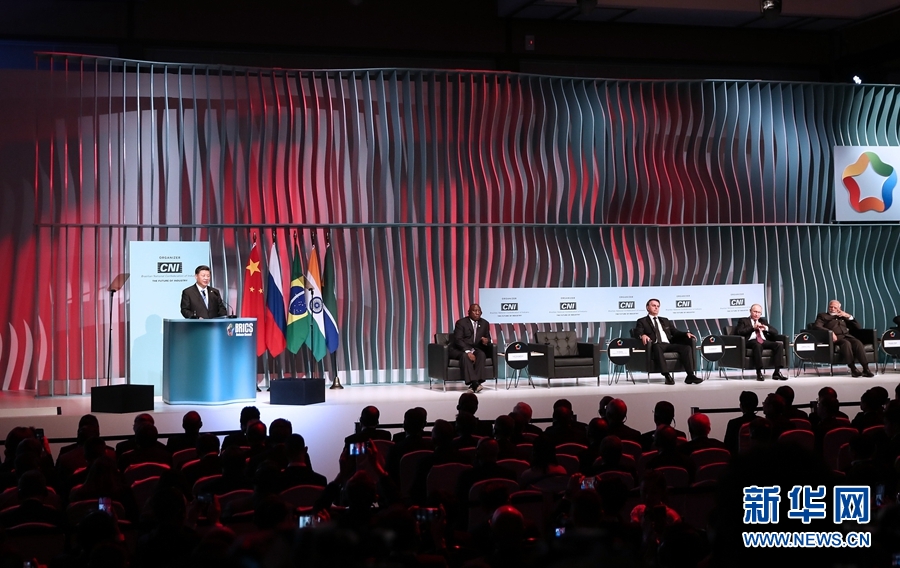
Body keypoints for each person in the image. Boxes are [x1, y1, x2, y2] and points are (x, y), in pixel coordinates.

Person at [635, 298, 701, 384]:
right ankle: (667, 375)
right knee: (657, 346)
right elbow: (638, 332)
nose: (656, 308)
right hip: (656, 345)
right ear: (647, 307)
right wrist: (642, 335)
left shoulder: (665, 320)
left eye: (658, 306)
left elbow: (675, 332)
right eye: (654, 306)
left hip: (668, 344)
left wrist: (686, 334)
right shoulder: (642, 321)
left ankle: (690, 375)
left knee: (686, 348)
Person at [813, 299, 873, 377]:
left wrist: (848, 316)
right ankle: (853, 369)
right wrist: (830, 332)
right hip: (835, 338)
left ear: (839, 308)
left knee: (857, 343)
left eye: (835, 307)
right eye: (831, 307)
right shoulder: (822, 316)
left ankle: (866, 369)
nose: (832, 309)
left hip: (847, 336)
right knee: (846, 343)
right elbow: (817, 326)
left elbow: (857, 327)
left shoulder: (842, 316)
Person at [733, 303, 788, 381]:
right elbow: (739, 332)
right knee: (757, 345)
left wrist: (765, 328)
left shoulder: (763, 321)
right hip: (750, 341)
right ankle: (759, 372)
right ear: (750, 311)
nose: (756, 314)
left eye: (759, 312)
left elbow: (775, 332)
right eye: (755, 312)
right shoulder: (743, 320)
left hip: (763, 341)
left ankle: (777, 372)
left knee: (779, 345)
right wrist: (753, 328)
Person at [449, 303, 492, 392]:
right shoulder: (461, 323)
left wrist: (486, 341)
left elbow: (488, 338)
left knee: (481, 354)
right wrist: (468, 351)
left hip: (475, 349)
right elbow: (458, 340)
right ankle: (475, 383)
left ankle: (474, 385)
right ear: (469, 312)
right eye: (475, 311)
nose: (477, 313)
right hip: (460, 349)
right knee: (465, 356)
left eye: (479, 311)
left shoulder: (485, 323)